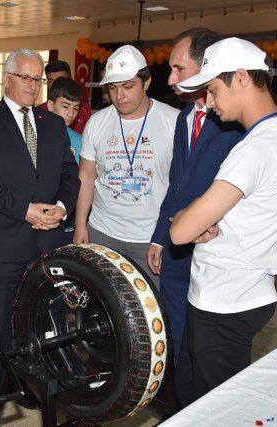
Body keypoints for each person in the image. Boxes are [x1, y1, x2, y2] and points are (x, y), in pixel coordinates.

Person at [171, 37, 277, 407]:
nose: (210, 103)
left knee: (216, 409)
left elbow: (179, 231)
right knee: (193, 399)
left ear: (243, 77)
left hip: (226, 302)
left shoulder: (257, 147)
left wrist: (189, 216)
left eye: (213, 90)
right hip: (241, 292)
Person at [0, 48, 79, 426]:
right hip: (4, 245)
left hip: (47, 243)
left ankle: (30, 387)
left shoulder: (53, 124)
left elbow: (69, 172)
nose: (33, 86)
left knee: (39, 325)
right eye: (27, 78)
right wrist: (26, 209)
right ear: (9, 79)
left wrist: (63, 206)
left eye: (38, 79)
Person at [146, 28, 243, 363]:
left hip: (214, 249)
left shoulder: (236, 124)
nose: (171, 79)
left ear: (207, 68)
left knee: (205, 344)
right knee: (174, 332)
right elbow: (176, 184)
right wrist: (160, 237)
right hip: (176, 248)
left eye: (179, 69)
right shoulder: (185, 116)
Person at [74, 45, 178, 289]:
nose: (120, 96)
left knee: (150, 312)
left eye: (128, 86)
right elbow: (86, 176)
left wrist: (165, 237)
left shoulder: (173, 121)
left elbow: (180, 184)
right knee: (101, 308)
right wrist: (80, 225)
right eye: (113, 87)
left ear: (147, 82)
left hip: (151, 238)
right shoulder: (97, 123)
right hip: (102, 232)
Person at [46, 76, 83, 244]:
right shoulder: (37, 136)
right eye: (65, 106)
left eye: (76, 108)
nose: (71, 113)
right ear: (50, 105)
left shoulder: (79, 140)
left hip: (69, 211)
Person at [38, 60, 91, 133]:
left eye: (61, 80)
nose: (56, 84)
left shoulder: (84, 110)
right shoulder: (39, 111)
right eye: (51, 81)